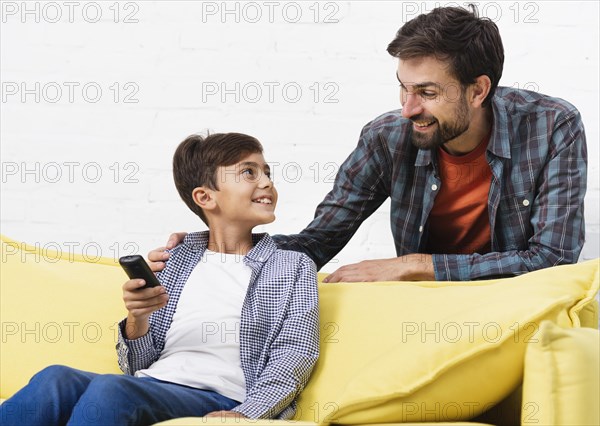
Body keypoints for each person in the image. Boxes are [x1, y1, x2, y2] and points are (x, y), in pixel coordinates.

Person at [149, 5, 587, 283]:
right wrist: (212, 248)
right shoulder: (387, 138)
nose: (408, 109)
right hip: (425, 316)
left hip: (517, 311)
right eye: (404, 88)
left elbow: (552, 259)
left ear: (478, 91)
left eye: (428, 94)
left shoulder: (552, 126)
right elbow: (318, 241)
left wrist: (412, 265)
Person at [0, 133, 319, 424]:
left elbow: (296, 354)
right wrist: (138, 318)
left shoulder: (290, 266)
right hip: (150, 385)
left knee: (112, 390)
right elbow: (135, 366)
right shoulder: (175, 259)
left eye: (267, 172)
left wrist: (244, 413)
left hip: (221, 396)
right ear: (206, 198)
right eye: (249, 172)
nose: (266, 182)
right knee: (54, 378)